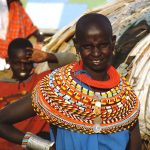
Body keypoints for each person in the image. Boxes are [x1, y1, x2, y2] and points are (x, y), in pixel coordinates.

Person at [0, 13, 141, 150]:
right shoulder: (57, 87)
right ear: (77, 45)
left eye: (103, 45)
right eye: (87, 46)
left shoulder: (125, 98)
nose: (96, 53)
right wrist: (43, 146)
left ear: (113, 42)